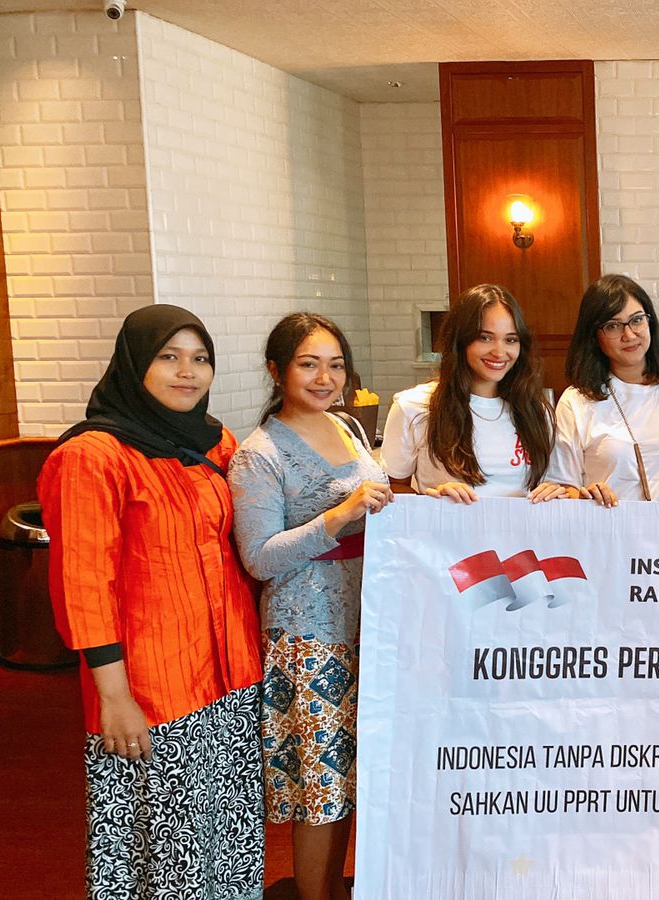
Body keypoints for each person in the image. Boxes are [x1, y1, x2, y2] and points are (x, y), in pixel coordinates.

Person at [37, 305, 265, 898]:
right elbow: (83, 586)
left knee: (228, 840)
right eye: (169, 357)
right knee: (165, 854)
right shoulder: (92, 457)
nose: (187, 372)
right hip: (151, 687)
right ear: (134, 363)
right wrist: (114, 698)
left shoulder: (215, 442)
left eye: (200, 358)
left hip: (230, 674)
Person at [227, 314, 391, 900]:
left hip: (368, 619)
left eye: (336, 365)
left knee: (353, 777)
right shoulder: (259, 454)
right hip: (308, 633)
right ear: (277, 370)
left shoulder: (346, 425)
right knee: (321, 788)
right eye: (309, 364)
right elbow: (259, 558)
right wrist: (338, 517)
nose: (325, 377)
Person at [382, 283, 564, 503]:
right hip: (447, 526)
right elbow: (392, 489)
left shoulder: (535, 410)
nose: (499, 352)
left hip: (521, 526)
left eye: (510, 339)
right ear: (461, 340)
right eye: (485, 337)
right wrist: (434, 500)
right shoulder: (414, 406)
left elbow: (552, 484)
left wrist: (554, 491)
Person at [545, 274, 659, 504]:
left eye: (637, 320)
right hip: (608, 525)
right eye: (613, 326)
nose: (629, 335)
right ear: (594, 336)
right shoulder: (576, 401)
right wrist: (584, 496)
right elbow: (562, 486)